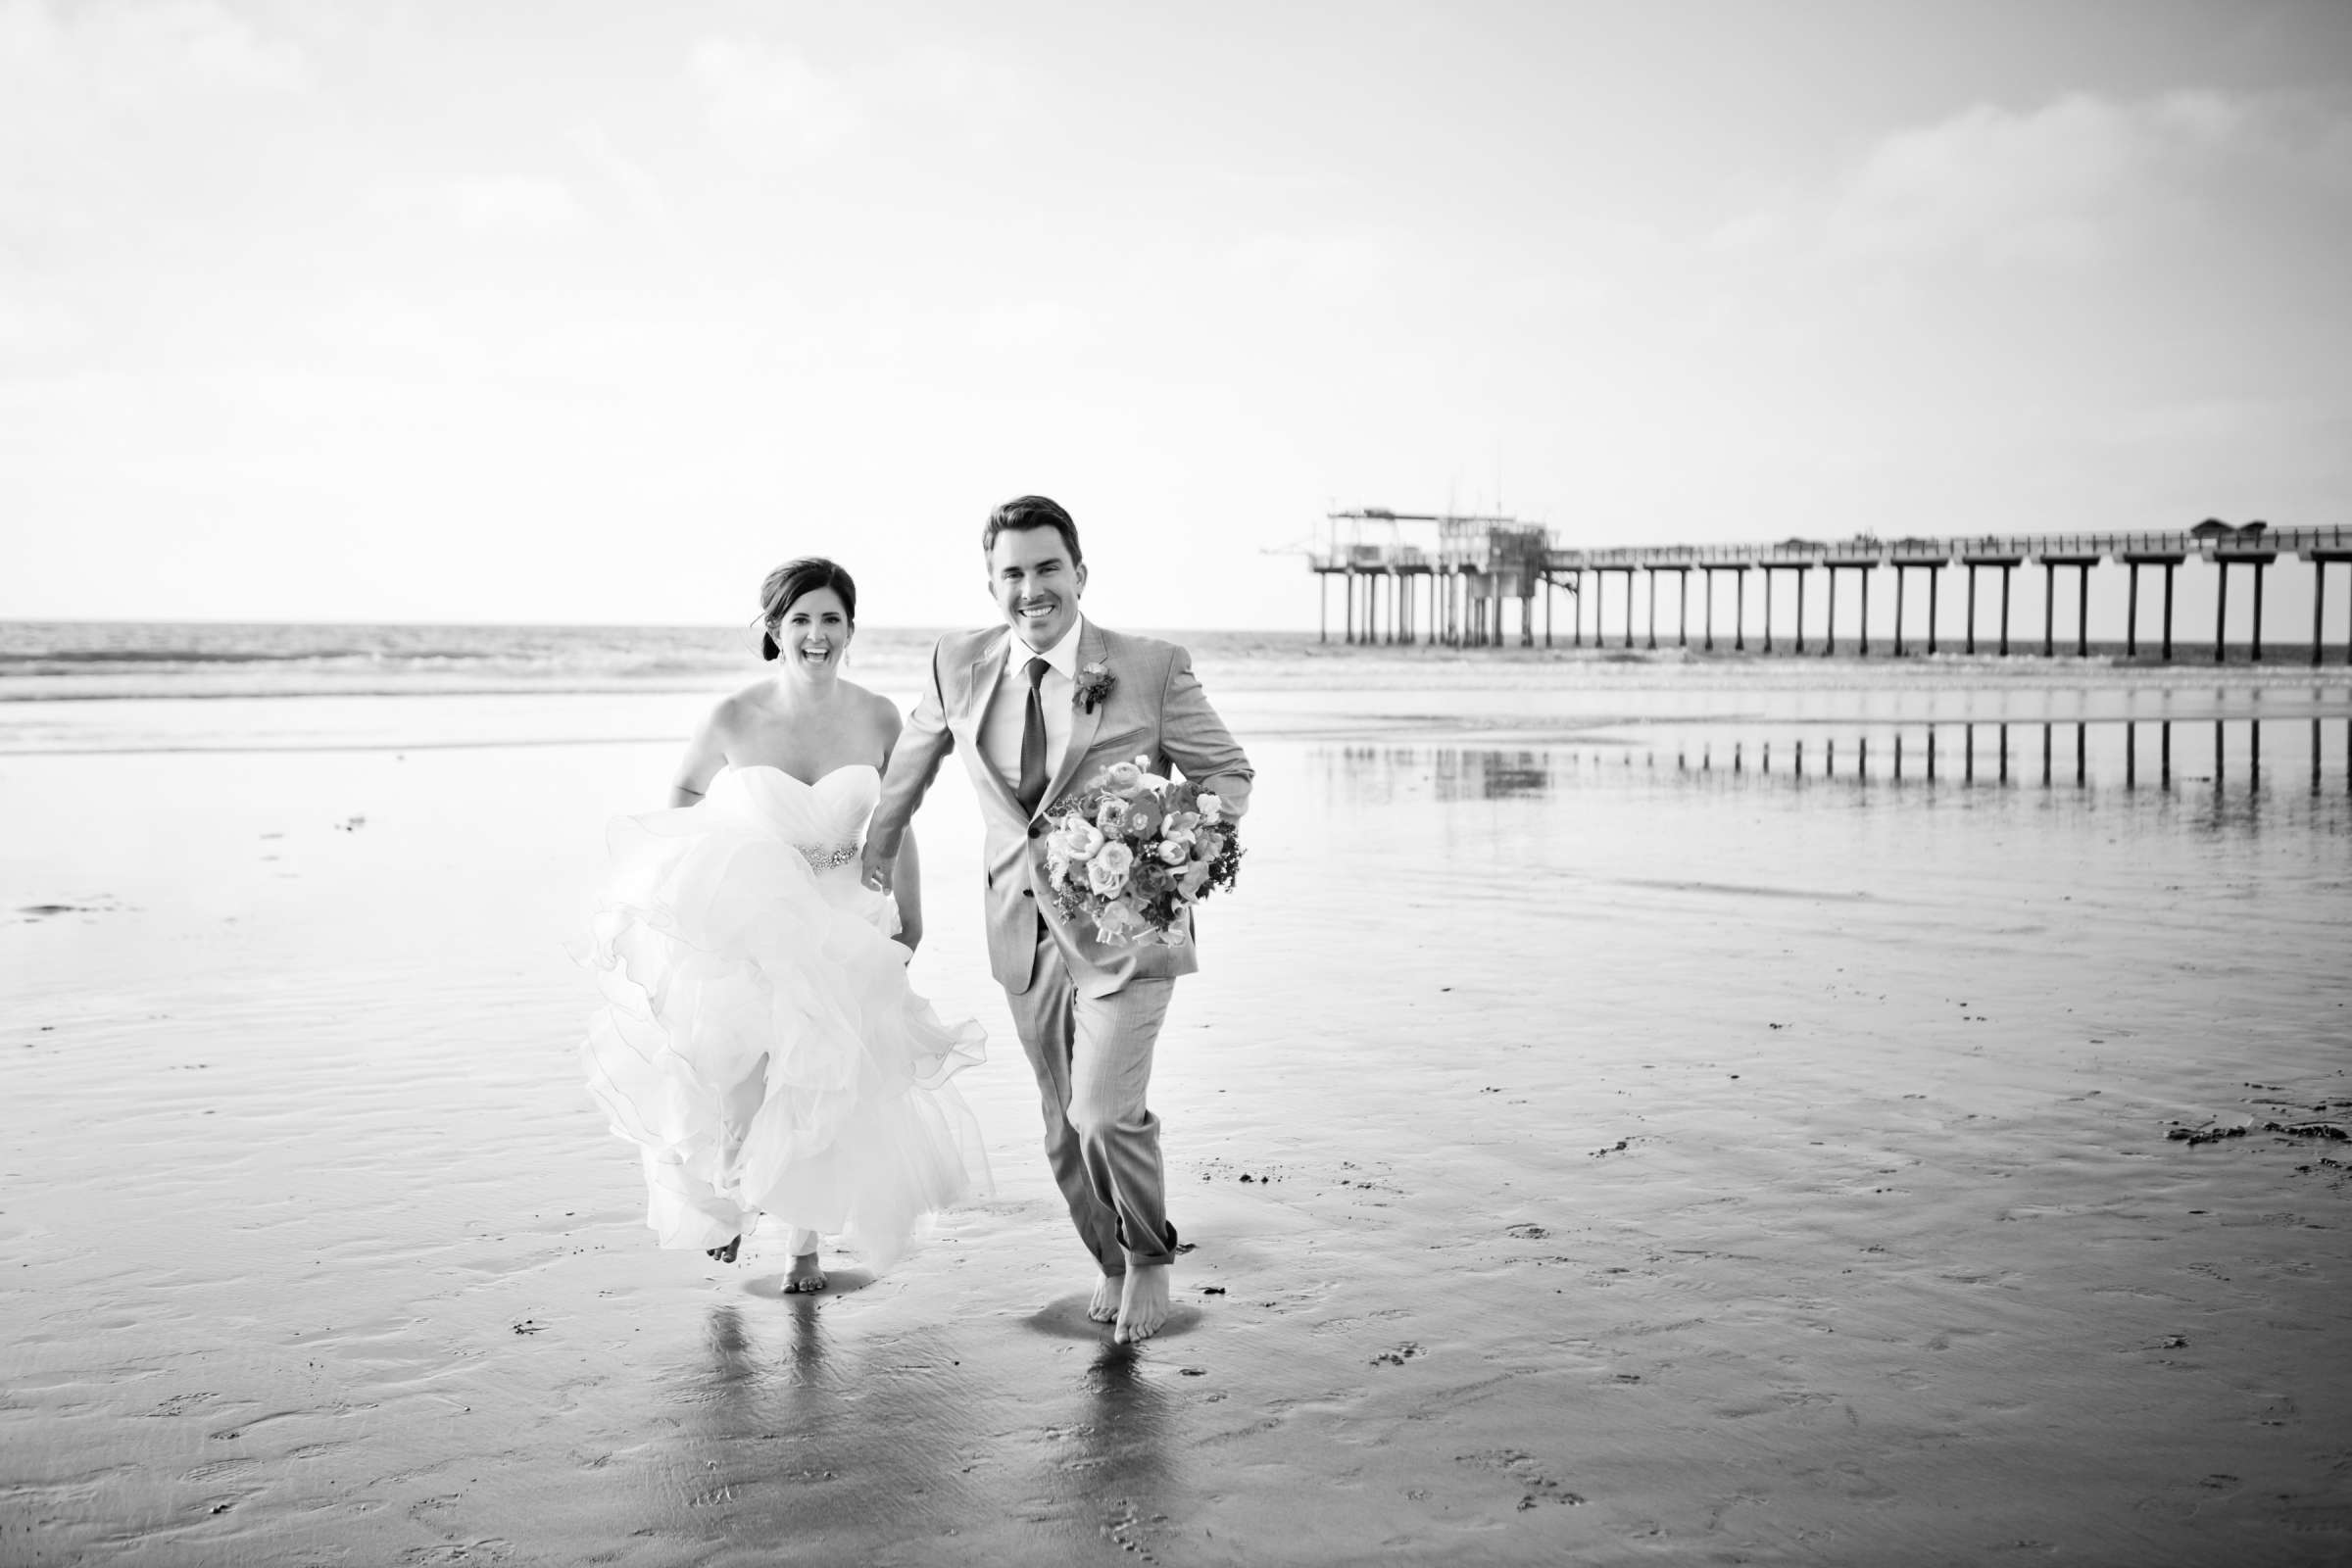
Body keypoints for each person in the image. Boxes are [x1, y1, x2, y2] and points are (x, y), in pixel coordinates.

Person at [860, 496, 1252, 1344]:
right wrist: (871, 863)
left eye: (1047, 568)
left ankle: (1151, 1257)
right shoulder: (956, 663)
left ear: (1080, 572)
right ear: (992, 582)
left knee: (1104, 1111)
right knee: (1058, 1125)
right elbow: (906, 776)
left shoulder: (1150, 666)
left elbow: (1226, 776)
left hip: (1129, 931)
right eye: (1013, 572)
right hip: (1021, 928)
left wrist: (1166, 850)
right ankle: (1108, 1262)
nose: (1031, 588)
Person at [582, 558, 986, 1293]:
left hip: (844, 914)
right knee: (737, 1076)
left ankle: (803, 1245)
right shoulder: (733, 715)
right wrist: (684, 877)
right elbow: (685, 786)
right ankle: (728, 1205)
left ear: (851, 629)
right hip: (755, 919)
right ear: (774, 630)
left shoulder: (877, 716)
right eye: (800, 619)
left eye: (832, 618)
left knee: (824, 1080)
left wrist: (912, 913)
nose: (817, 634)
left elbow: (894, 823)